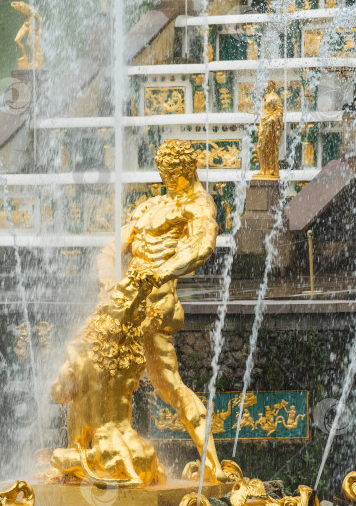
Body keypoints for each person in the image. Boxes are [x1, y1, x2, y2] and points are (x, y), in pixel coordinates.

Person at [50, 140, 235, 486]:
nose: (169, 180)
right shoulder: (150, 206)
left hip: (156, 303)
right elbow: (111, 247)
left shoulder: (198, 204)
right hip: (124, 297)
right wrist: (108, 279)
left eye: (175, 173)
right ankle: (87, 447)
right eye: (164, 173)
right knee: (92, 359)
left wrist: (161, 272)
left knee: (161, 381)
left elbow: (200, 247)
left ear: (189, 170)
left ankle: (210, 462)